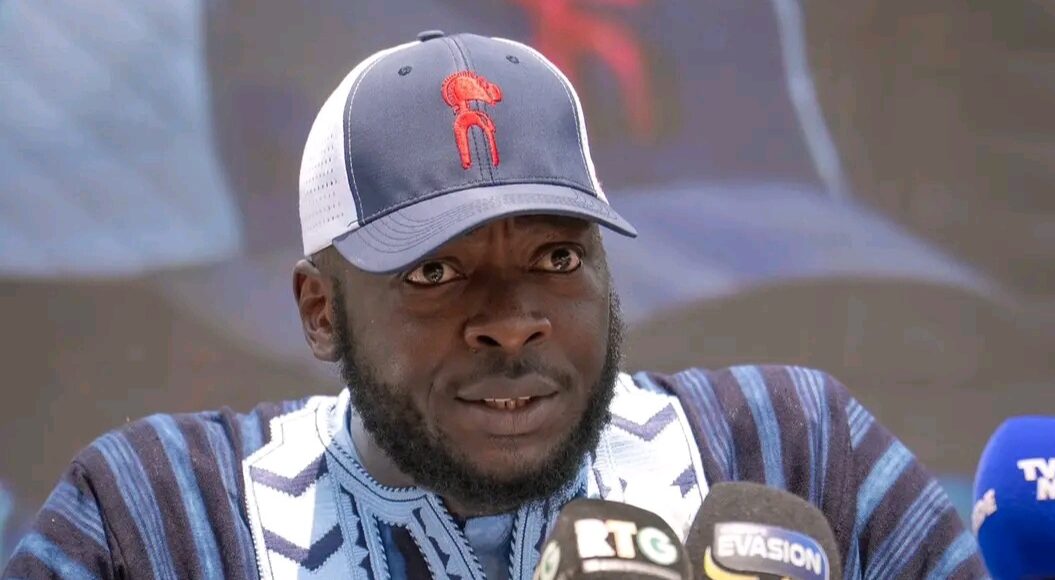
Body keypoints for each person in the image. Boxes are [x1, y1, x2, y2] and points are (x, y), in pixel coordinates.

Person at [3, 32, 986, 579]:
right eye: (435, 270)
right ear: (319, 309)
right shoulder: (159, 517)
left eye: (557, 255)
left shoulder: (794, 450)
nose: (513, 320)